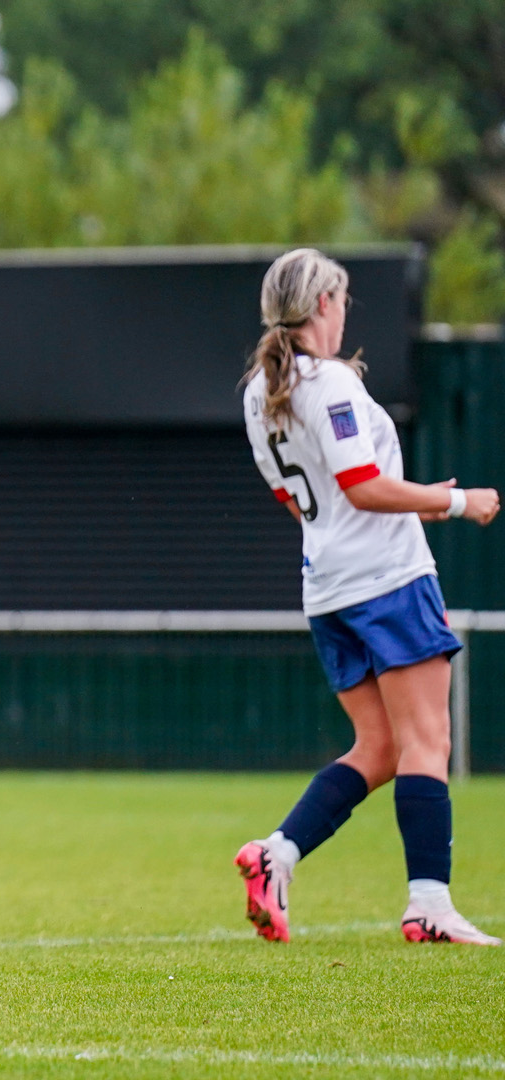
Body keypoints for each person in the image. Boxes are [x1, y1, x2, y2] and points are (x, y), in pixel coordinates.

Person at [235, 248, 500, 946]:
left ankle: (276, 855)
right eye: (341, 298)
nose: (346, 308)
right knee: (427, 741)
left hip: (326, 588)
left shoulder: (258, 392)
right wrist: (455, 500)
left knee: (381, 747)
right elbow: (362, 486)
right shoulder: (329, 385)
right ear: (323, 304)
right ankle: (429, 905)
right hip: (387, 581)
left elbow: (297, 502)